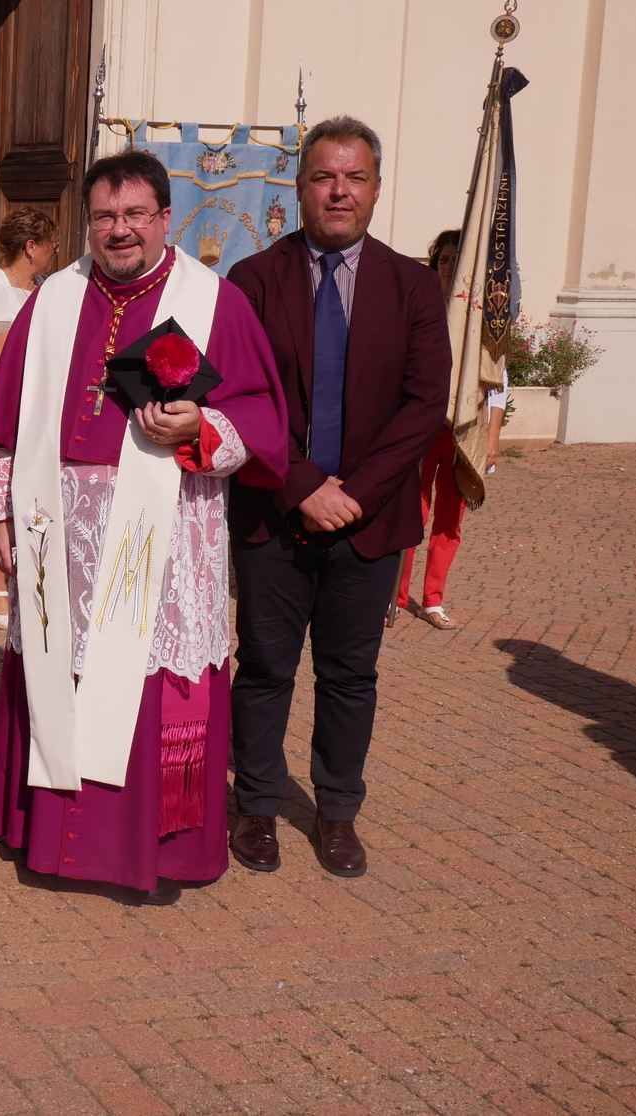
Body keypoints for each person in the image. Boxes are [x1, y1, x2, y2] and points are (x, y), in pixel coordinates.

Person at [0, 151, 288, 906]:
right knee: (58, 665)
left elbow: (261, 421)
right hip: (61, 531)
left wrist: (200, 426)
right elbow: (7, 420)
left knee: (146, 677)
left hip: (165, 530)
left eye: (136, 215)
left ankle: (146, 849)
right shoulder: (52, 299)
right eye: (105, 217)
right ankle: (54, 838)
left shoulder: (215, 303)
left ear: (166, 218)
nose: (120, 230)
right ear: (88, 223)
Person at [225, 117, 450, 878]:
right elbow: (239, 395)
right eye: (324, 177)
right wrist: (302, 486)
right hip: (274, 513)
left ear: (377, 189)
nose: (339, 191)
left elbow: (424, 403)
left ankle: (337, 811)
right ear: (300, 187)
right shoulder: (253, 280)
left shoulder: (413, 286)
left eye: (354, 178)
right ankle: (257, 806)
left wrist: (351, 494)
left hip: (368, 521)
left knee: (351, 676)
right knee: (264, 668)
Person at [394, 228, 507, 629]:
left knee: (449, 517)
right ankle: (396, 595)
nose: (449, 267)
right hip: (423, 425)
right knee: (413, 511)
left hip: (464, 430)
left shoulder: (485, 317)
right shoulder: (421, 307)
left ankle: (433, 600)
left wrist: (491, 438)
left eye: (458, 260)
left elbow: (498, 382)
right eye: (443, 259)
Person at [0, 207, 59, 629]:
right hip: (7, 412)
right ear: (31, 247)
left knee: (33, 497)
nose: (56, 251)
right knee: (1, 501)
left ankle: (30, 577)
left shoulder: (44, 288)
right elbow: (3, 362)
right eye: (50, 245)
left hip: (41, 410)